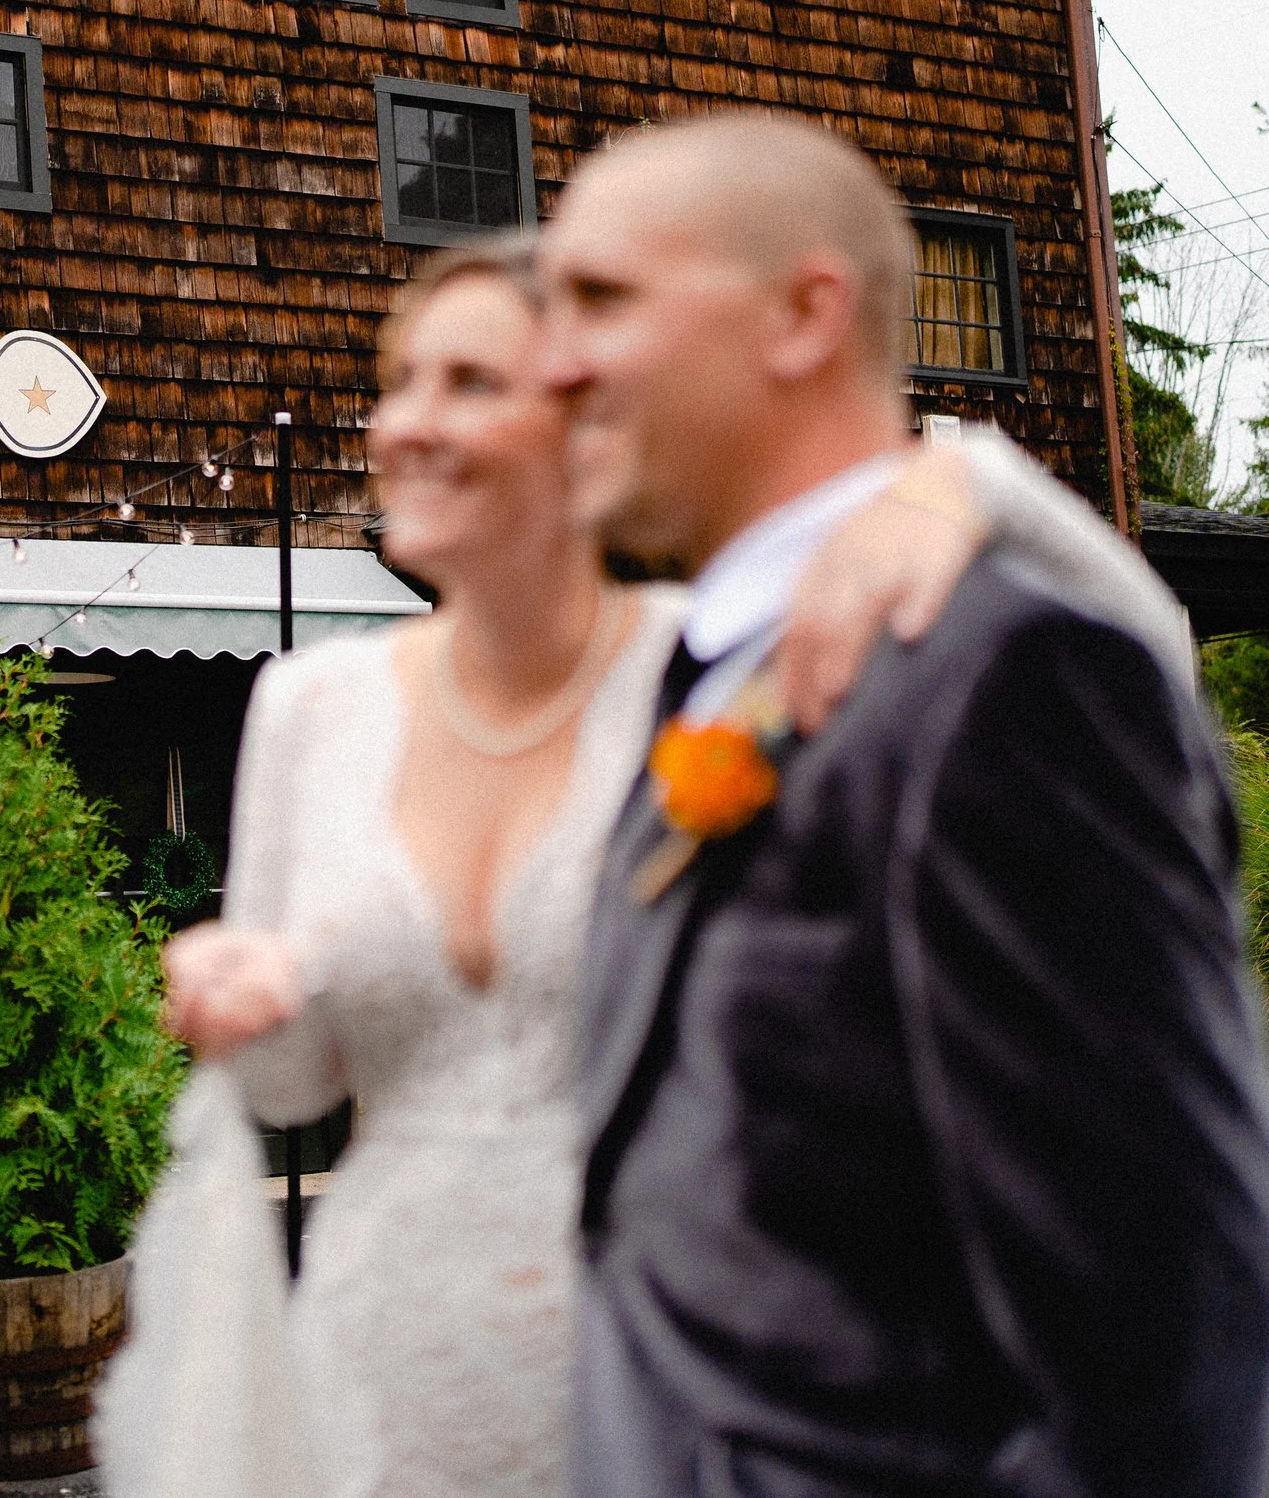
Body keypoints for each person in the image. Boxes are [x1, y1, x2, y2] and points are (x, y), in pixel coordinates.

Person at [95, 209, 1194, 1498]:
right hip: (382, 1370)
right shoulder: (307, 707)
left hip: (687, 1380)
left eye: (470, 383)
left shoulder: (715, 670)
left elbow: (1148, 667)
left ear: (587, 428)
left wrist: (966, 487)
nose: (405, 425)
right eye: (399, 383)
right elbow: (292, 1095)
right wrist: (249, 999)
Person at [543, 112, 1269, 1498]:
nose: (555, 359)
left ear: (807, 310)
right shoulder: (708, 676)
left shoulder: (1014, 685)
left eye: (603, 297)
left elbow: (1166, 1344)